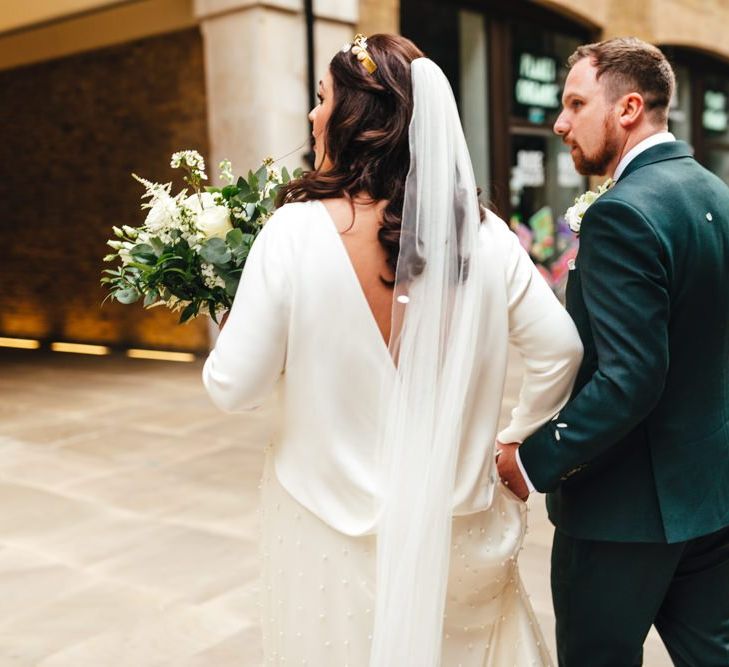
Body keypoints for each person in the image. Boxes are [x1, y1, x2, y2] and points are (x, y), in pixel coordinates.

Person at [204, 33, 582, 666]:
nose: (312, 114)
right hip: (459, 524)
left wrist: (233, 316)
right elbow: (561, 350)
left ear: (356, 116)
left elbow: (234, 388)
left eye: (323, 98)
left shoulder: (294, 230)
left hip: (329, 526)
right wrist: (517, 437)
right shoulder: (486, 237)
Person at [497, 37, 729, 666]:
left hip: (620, 516)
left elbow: (631, 378)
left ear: (628, 109)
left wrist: (535, 457)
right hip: (708, 500)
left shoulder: (623, 212)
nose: (560, 122)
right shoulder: (715, 192)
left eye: (575, 103)